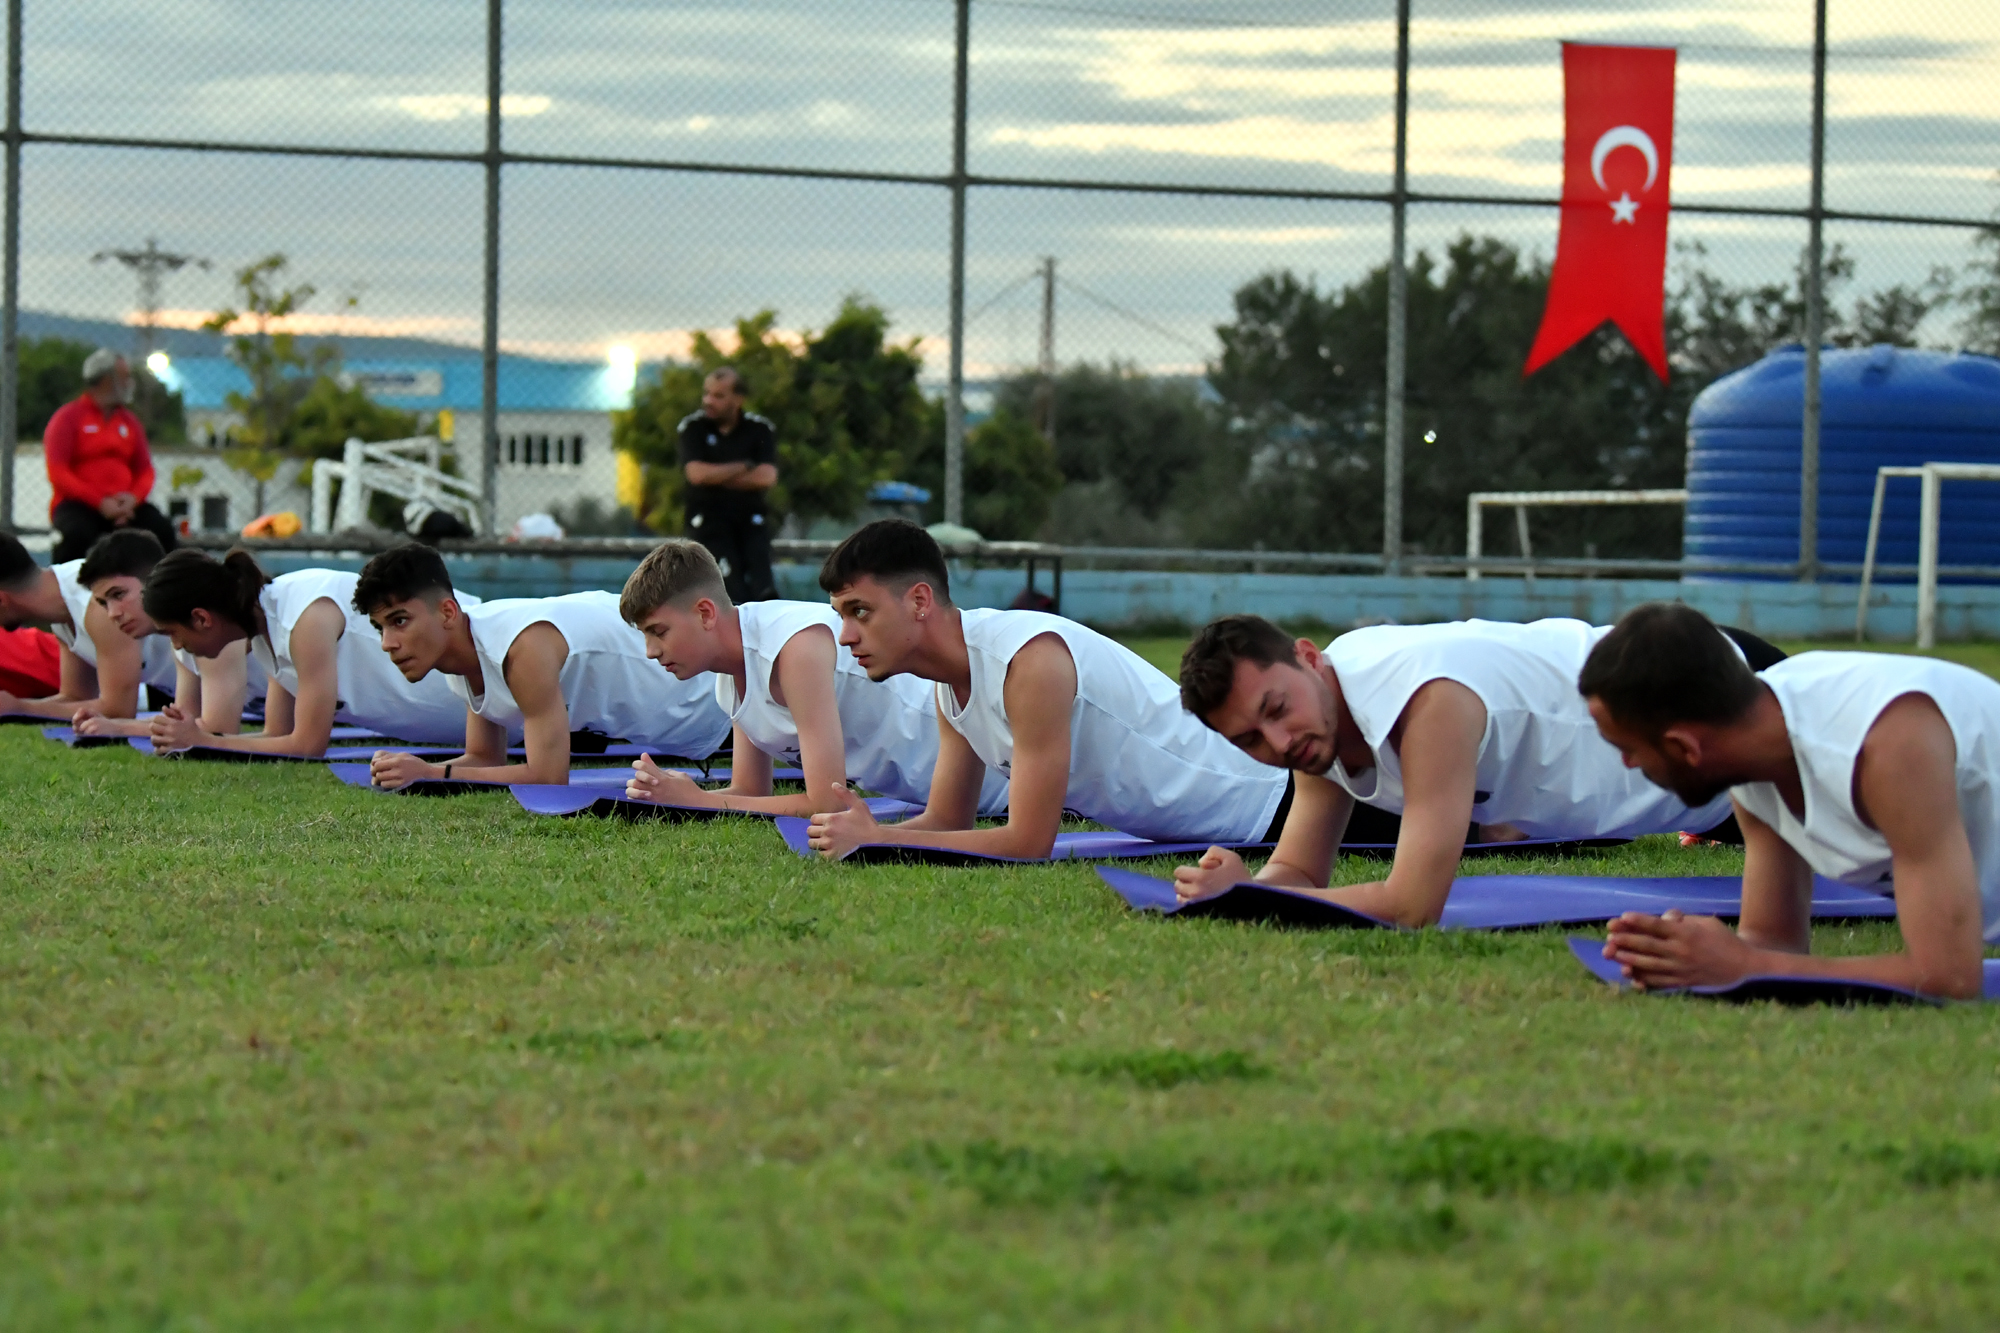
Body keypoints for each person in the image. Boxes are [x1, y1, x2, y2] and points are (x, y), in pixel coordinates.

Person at [1168, 614, 1767, 927]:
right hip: (1699, 796)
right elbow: (1299, 870)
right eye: (1250, 738)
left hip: (1717, 701)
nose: (1278, 742)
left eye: (1276, 710)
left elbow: (1411, 906)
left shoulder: (1429, 701)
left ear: (1306, 657)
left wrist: (1255, 904)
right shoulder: (1319, 719)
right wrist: (1244, 889)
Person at [803, 520, 1287, 860]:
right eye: (842, 615)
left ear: (920, 601)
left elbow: (1028, 842)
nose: (845, 635)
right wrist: (871, 833)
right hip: (1249, 809)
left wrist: (882, 842)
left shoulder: (1028, 661)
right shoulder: (950, 685)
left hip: (1271, 800)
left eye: (859, 611)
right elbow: (949, 820)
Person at [1580, 602, 1993, 999]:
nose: (1627, 763)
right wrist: (1692, 955)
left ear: (1684, 747)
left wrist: (1747, 964)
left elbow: (1950, 977)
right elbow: (1773, 943)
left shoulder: (1887, 746)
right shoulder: (1755, 755)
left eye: (1628, 748)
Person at [614, 537, 1007, 816]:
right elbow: (750, 792)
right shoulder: (729, 682)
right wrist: (680, 792)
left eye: (658, 631)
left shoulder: (793, 646)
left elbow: (827, 802)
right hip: (934, 799)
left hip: (991, 784)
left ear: (704, 614)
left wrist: (697, 801)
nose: (651, 651)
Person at [349, 542, 731, 788]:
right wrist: (416, 769)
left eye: (399, 621)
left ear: (448, 611)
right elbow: (484, 758)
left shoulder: (521, 648)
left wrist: (432, 773)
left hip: (717, 708)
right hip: (689, 728)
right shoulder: (467, 657)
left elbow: (548, 777)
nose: (388, 643)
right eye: (380, 627)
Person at [139, 549, 472, 756]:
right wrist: (203, 737)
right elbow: (277, 736)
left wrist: (205, 740)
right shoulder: (264, 630)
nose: (177, 646)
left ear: (201, 618)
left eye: (172, 633)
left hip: (495, 699)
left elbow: (307, 746)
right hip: (469, 719)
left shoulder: (303, 616)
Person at [56, 529, 262, 740]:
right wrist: (113, 723)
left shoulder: (207, 629)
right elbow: (185, 719)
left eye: (119, 594)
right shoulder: (181, 637)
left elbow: (216, 729)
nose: (112, 613)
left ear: (152, 583)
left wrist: (120, 728)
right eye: (103, 603)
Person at [0, 529, 179, 721]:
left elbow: (118, 710)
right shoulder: (62, 605)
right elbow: (77, 697)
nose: (113, 611)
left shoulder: (96, 604)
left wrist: (20, 707)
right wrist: (14, 706)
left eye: (118, 596)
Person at [45, 348, 178, 563]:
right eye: (124, 376)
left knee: (161, 530)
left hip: (126, 504)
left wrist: (132, 500)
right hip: (81, 504)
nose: (128, 382)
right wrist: (100, 502)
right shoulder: (68, 418)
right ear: (106, 379)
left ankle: (166, 590)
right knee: (75, 535)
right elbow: (58, 472)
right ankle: (63, 592)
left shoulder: (129, 421)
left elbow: (145, 469)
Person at [679, 365, 778, 604]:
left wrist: (717, 474)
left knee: (763, 592)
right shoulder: (693, 428)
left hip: (749, 520)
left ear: (738, 399)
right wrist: (743, 465)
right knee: (730, 592)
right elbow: (697, 475)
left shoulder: (759, 429)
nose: (708, 401)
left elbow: (766, 477)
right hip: (710, 521)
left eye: (718, 395)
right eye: (707, 394)